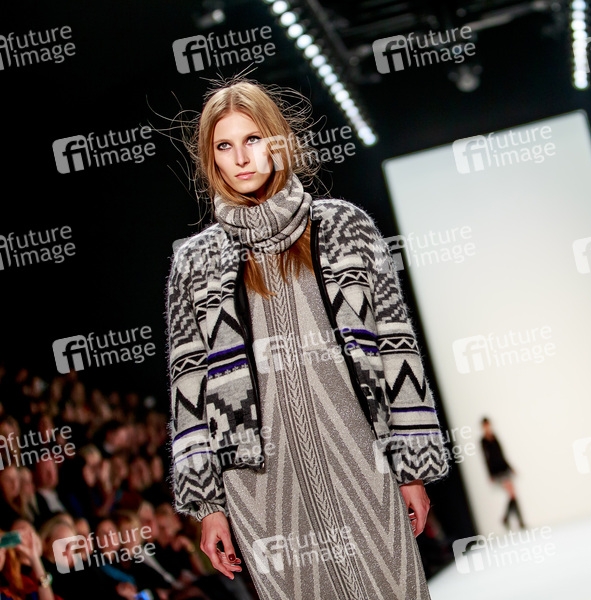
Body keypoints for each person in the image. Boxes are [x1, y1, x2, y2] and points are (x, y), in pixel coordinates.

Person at [166, 79, 450, 599]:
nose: (241, 158)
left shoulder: (346, 228)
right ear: (211, 159)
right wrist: (208, 506)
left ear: (277, 140)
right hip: (260, 486)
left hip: (362, 461)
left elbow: (396, 348)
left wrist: (412, 469)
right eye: (224, 146)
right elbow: (189, 389)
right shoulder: (195, 262)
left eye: (253, 139)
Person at [480, 418, 525, 529]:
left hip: (504, 467)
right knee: (512, 494)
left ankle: (510, 519)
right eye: (485, 425)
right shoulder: (483, 441)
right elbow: (486, 459)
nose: (487, 427)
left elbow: (502, 454)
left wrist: (510, 467)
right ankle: (516, 520)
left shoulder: (495, 437)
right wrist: (490, 475)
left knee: (513, 494)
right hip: (496, 471)